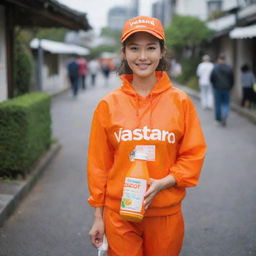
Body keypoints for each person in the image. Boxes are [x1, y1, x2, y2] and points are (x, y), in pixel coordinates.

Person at [87, 16, 207, 256]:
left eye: (151, 48)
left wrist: (165, 182)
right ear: (124, 52)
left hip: (165, 214)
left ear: (162, 52)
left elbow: (192, 155)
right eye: (134, 48)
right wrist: (98, 217)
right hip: (119, 215)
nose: (142, 57)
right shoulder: (108, 105)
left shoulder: (180, 102)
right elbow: (99, 166)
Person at [210, 54, 234, 127]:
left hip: (217, 88)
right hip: (226, 88)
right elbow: (232, 78)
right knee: (226, 103)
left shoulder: (215, 67)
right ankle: (225, 114)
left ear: (218, 59)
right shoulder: (229, 67)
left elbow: (212, 78)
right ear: (225, 60)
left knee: (218, 104)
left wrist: (214, 85)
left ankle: (218, 119)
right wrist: (230, 86)